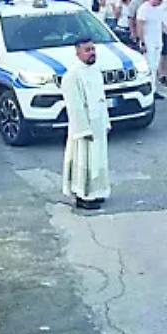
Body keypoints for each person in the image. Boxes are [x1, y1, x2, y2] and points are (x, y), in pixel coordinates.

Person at [60, 38, 111, 211]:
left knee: (98, 160)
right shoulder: (72, 76)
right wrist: (83, 129)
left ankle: (98, 192)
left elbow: (101, 98)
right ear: (78, 53)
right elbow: (74, 105)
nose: (92, 53)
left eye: (93, 49)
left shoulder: (95, 71)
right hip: (84, 126)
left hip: (98, 123)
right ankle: (83, 196)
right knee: (84, 161)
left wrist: (106, 121)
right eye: (87, 50)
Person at [135, 0, 167, 100]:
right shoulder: (144, 9)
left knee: (155, 66)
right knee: (149, 66)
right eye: (158, 0)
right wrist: (142, 41)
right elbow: (139, 25)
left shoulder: (159, 9)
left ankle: (153, 89)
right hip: (148, 40)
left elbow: (161, 24)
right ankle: (148, 90)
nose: (159, 3)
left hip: (157, 40)